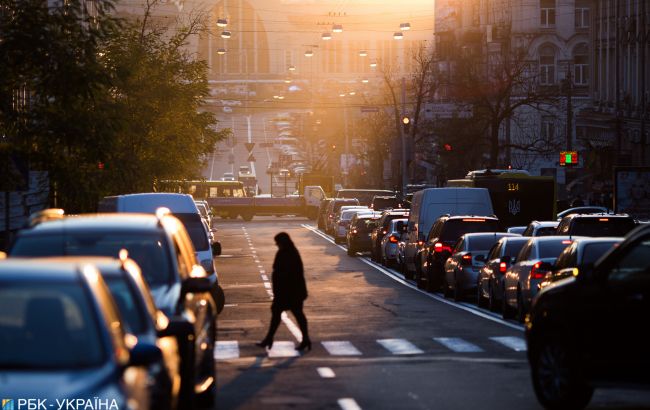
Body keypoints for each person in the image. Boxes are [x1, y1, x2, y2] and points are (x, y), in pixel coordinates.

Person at [256, 232, 311, 351]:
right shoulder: (289, 251)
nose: (277, 245)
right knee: (293, 315)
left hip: (290, 292)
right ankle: (270, 338)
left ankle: (270, 339)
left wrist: (279, 288)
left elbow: (285, 273)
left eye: (278, 243)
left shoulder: (288, 253)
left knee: (292, 314)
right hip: (288, 292)